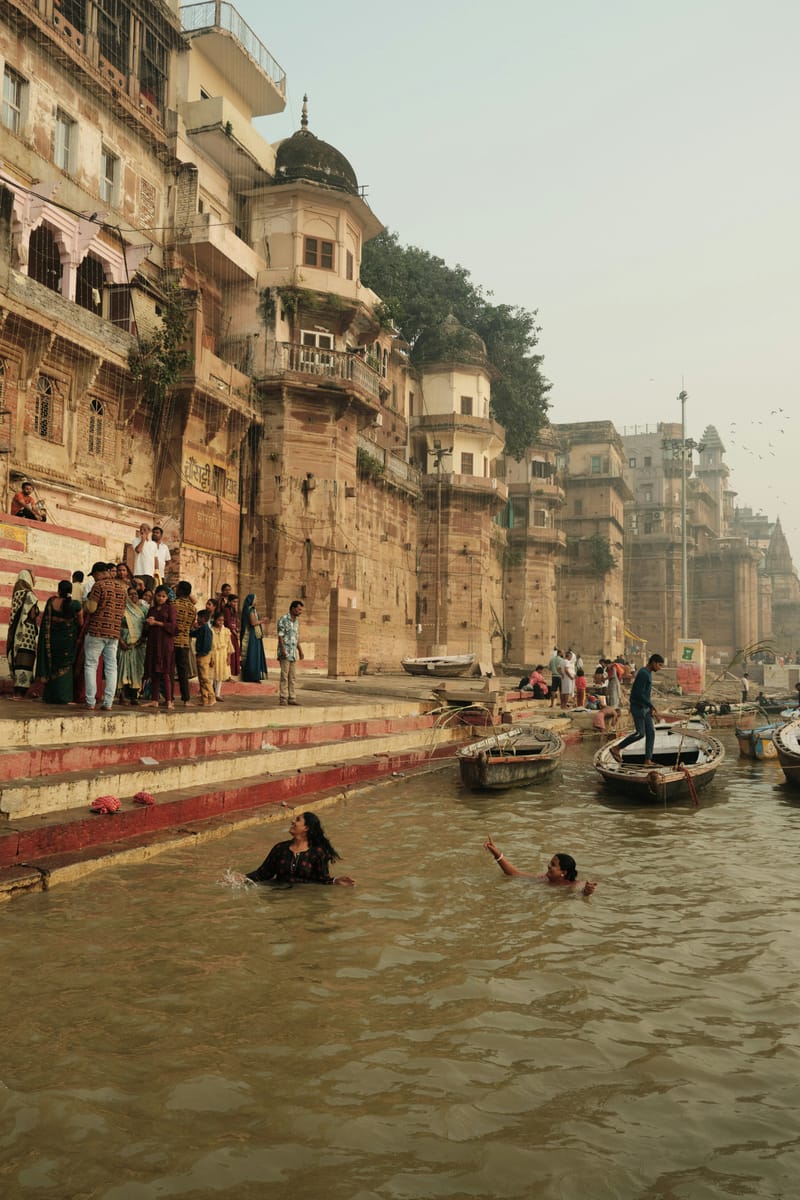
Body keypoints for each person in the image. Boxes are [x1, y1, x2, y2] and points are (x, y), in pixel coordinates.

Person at [246, 812, 355, 887]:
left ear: (306, 828)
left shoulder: (317, 853)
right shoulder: (280, 848)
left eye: (298, 820)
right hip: (277, 897)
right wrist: (240, 878)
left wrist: (335, 881)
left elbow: (322, 880)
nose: (293, 822)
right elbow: (263, 874)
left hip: (303, 900)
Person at [483, 838, 596, 896]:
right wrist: (497, 854)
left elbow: (580, 891)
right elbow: (514, 874)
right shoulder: (544, 879)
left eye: (553, 865)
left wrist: (586, 892)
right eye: (550, 863)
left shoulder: (574, 885)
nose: (548, 866)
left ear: (564, 872)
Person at [83, 562, 126, 711]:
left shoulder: (99, 586)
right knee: (111, 667)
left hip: (97, 630)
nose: (94, 578)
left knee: (91, 665)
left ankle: (90, 701)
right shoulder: (122, 588)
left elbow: (91, 608)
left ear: (100, 573)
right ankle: (108, 703)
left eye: (94, 575)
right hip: (113, 632)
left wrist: (86, 602)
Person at [611, 653, 665, 766]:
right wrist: (651, 705)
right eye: (659, 665)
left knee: (651, 732)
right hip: (638, 707)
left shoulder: (648, 673)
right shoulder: (643, 673)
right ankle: (617, 748)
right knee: (640, 733)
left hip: (645, 708)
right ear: (653, 662)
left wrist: (649, 707)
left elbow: (645, 693)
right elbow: (639, 694)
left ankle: (647, 760)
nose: (660, 668)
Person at [35, 579, 82, 703]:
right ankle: (64, 697)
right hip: (67, 641)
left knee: (53, 665)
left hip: (52, 640)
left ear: (59, 590)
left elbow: (47, 620)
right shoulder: (75, 604)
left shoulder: (51, 602)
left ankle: (50, 696)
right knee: (66, 666)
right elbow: (80, 622)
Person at [5, 569, 40, 698]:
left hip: (15, 634)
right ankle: (21, 692)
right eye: (33, 577)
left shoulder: (17, 594)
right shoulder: (30, 595)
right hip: (27, 633)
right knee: (26, 659)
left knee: (18, 657)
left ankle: (16, 691)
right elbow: (32, 614)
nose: (35, 580)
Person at [142, 585, 177, 709]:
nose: (160, 598)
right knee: (154, 672)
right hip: (153, 643)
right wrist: (148, 622)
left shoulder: (170, 609)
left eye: (163, 596)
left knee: (165, 672)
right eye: (158, 596)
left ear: (167, 597)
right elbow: (146, 628)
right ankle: (154, 700)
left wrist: (156, 622)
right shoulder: (151, 610)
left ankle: (168, 700)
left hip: (165, 644)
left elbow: (173, 627)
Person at [117, 585, 148, 705]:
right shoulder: (121, 608)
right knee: (123, 669)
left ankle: (134, 697)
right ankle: (122, 696)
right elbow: (117, 625)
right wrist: (121, 641)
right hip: (124, 643)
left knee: (137, 670)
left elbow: (146, 626)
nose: (133, 596)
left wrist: (141, 640)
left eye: (135, 594)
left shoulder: (143, 610)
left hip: (139, 645)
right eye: (130, 594)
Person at [173, 580, 196, 705]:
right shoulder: (193, 608)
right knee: (183, 672)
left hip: (172, 641)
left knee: (169, 671)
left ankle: (168, 697)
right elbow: (191, 626)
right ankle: (186, 699)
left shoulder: (173, 604)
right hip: (185, 642)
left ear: (180, 590)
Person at [277, 599, 304, 705]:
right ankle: (283, 698)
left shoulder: (296, 622)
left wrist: (300, 650)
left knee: (292, 676)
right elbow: (280, 635)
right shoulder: (283, 619)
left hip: (293, 653)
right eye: (298, 609)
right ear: (293, 609)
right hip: (285, 652)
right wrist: (282, 649)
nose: (300, 612)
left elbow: (295, 638)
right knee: (284, 675)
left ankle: (292, 698)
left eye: (301, 610)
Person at [240, 593, 268, 683]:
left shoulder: (252, 610)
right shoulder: (250, 610)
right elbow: (253, 623)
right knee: (252, 655)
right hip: (251, 636)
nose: (257, 601)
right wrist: (262, 621)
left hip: (255, 635)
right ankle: (251, 676)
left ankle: (253, 676)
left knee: (254, 655)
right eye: (256, 599)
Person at [190, 610, 215, 705]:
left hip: (203, 655)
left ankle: (211, 697)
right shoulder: (202, 629)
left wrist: (203, 653)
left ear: (203, 619)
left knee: (204, 678)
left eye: (198, 618)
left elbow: (207, 644)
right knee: (201, 678)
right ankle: (204, 699)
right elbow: (193, 633)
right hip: (200, 655)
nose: (197, 619)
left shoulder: (206, 630)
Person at [210, 611, 232, 701]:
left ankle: (217, 694)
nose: (221, 622)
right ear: (214, 620)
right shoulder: (211, 631)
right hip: (214, 654)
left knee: (220, 676)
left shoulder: (226, 631)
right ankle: (210, 693)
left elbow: (229, 645)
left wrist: (229, 657)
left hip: (223, 655)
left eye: (222, 621)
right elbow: (209, 645)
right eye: (219, 620)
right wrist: (210, 658)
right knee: (211, 675)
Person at [133, 524, 157, 591]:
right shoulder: (135, 540)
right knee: (139, 592)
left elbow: (155, 558)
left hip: (150, 574)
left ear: (149, 531)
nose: (142, 531)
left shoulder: (153, 544)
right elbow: (138, 550)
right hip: (139, 572)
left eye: (144, 529)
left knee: (148, 593)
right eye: (141, 529)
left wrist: (156, 571)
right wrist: (143, 540)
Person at [222, 593, 241, 676]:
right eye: (233, 602)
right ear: (229, 602)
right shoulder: (226, 610)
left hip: (234, 633)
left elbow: (236, 621)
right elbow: (228, 623)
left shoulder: (234, 610)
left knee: (235, 651)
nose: (235, 603)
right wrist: (235, 633)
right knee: (230, 652)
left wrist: (237, 630)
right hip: (228, 633)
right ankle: (228, 672)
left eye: (236, 602)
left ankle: (233, 671)